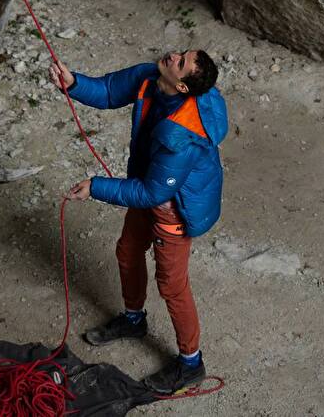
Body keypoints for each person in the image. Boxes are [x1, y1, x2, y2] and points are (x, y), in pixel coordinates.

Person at [48, 49, 228, 397]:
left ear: (184, 88)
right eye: (182, 53)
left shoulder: (184, 138)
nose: (173, 55)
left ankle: (191, 364)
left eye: (181, 63)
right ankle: (133, 321)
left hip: (172, 208)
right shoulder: (154, 77)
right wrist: (74, 84)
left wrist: (96, 187)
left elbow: (150, 193)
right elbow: (112, 90)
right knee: (128, 251)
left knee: (172, 286)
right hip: (149, 185)